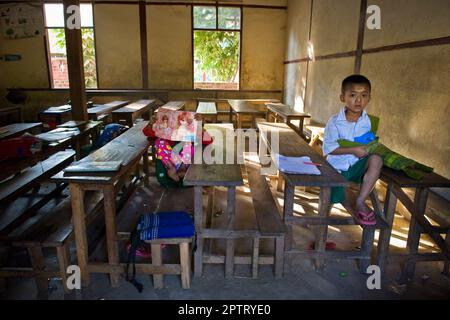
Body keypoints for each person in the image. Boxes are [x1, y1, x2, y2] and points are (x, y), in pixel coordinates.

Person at [322, 74, 383, 226]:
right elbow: (328, 148)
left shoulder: (369, 122)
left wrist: (371, 146)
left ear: (369, 98)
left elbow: (368, 143)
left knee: (376, 159)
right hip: (336, 168)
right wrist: (354, 150)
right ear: (343, 97)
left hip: (357, 167)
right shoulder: (335, 121)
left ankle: (361, 200)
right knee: (326, 204)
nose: (358, 100)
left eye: (364, 95)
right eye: (353, 95)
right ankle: (319, 237)